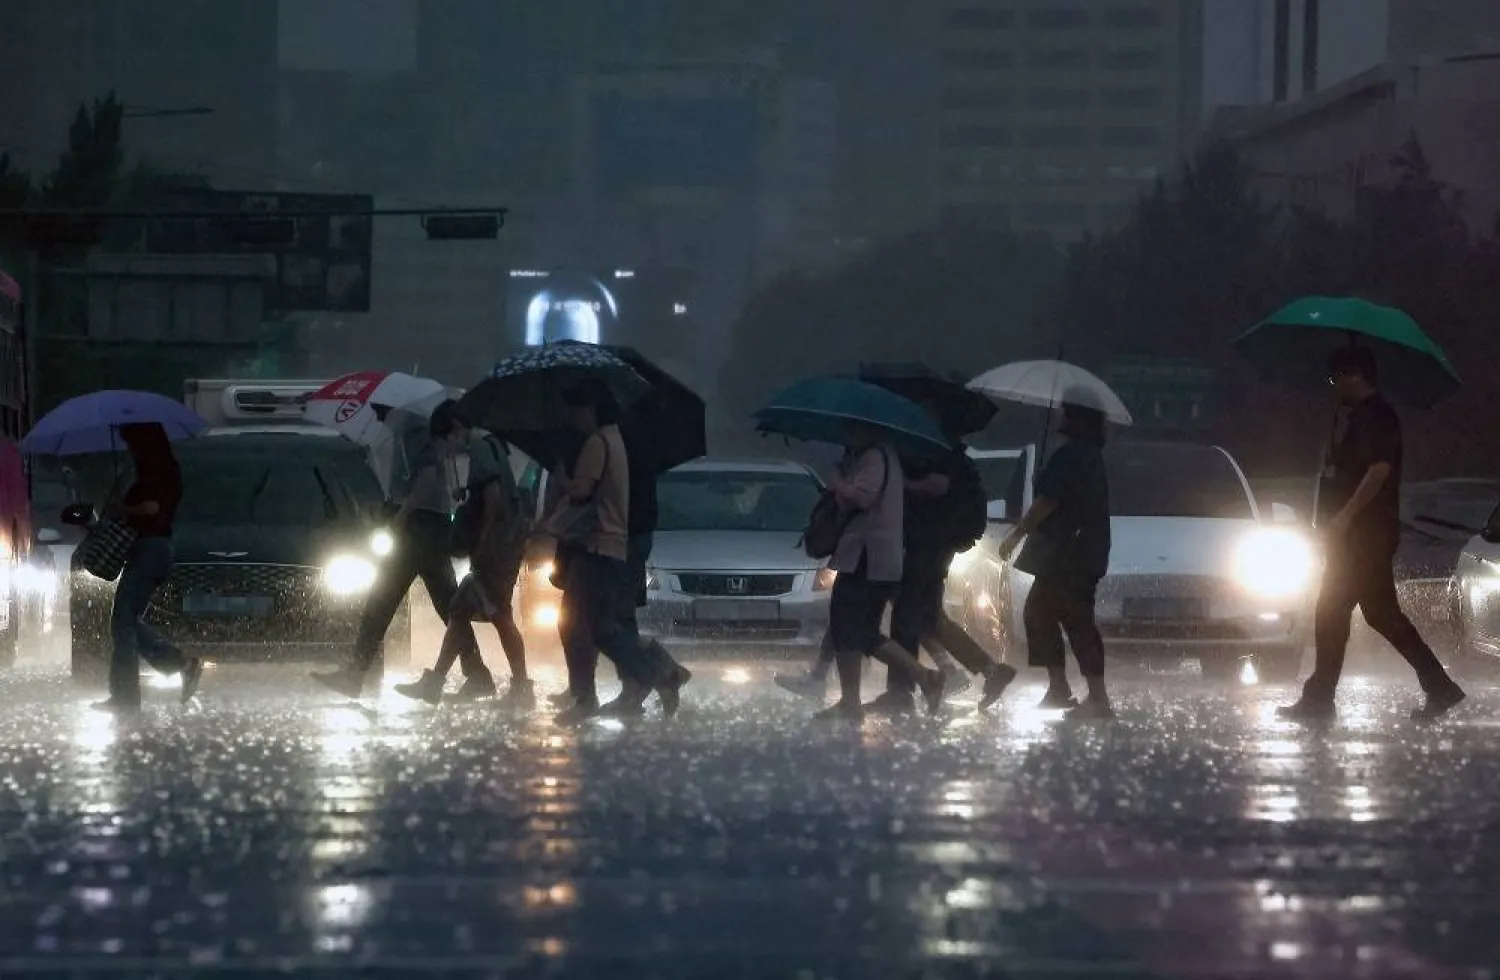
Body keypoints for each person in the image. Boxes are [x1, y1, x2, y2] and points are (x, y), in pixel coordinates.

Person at [1279, 346, 1465, 723]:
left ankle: (1320, 698)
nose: (1333, 387)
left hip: (1366, 536)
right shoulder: (1357, 417)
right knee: (1375, 613)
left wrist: (1345, 517)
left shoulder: (1379, 417)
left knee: (1334, 611)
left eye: (1335, 379)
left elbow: (1378, 471)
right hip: (1361, 536)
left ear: (1354, 375)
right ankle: (1438, 685)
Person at [866, 405, 1017, 714]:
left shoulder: (942, 454)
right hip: (933, 544)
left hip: (929, 545)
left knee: (907, 616)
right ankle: (989, 670)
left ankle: (900, 692)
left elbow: (937, 485)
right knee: (928, 617)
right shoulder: (950, 453)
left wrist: (901, 485)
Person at [312, 401, 468, 699]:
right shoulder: (413, 439)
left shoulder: (414, 435)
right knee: (447, 605)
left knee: (382, 601)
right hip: (428, 527)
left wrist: (401, 515)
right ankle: (476, 672)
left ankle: (355, 675)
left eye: (380, 409)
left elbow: (425, 481)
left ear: (395, 410)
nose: (377, 414)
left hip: (417, 528)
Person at [394, 427, 534, 707]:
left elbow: (493, 499)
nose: (448, 446)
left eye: (446, 436)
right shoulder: (491, 445)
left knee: (499, 615)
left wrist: (482, 542)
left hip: (496, 548)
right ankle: (437, 682)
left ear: (454, 428)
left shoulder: (481, 448)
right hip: (504, 543)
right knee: (460, 610)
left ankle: (521, 688)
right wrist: (468, 494)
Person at [818, 422, 945, 722]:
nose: (848, 435)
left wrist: (837, 481)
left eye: (853, 429)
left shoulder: (876, 457)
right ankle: (851, 700)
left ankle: (924, 676)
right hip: (867, 557)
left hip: (867, 558)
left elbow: (862, 497)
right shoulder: (874, 457)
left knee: (855, 627)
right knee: (849, 628)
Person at [547, 379, 658, 724]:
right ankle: (653, 671)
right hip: (608, 544)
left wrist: (562, 477)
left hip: (596, 543)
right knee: (601, 625)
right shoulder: (615, 439)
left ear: (590, 409)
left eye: (576, 411)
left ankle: (587, 697)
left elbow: (582, 493)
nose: (573, 418)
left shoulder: (598, 442)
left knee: (575, 624)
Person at [997, 397, 1114, 720]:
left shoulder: (1072, 456)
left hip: (1067, 555)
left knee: (1071, 621)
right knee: (1044, 614)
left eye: (1066, 411)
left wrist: (1016, 534)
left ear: (1078, 418)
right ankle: (1062, 687)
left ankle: (1095, 698)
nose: (1060, 415)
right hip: (1076, 554)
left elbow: (1047, 502)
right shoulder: (1087, 456)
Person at [95, 422, 200, 713]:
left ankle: (126, 695)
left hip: (150, 549)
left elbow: (152, 508)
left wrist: (124, 509)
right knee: (127, 621)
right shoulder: (156, 471)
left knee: (122, 621)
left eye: (131, 443)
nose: (129, 449)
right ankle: (179, 663)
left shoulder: (159, 474)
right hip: (151, 550)